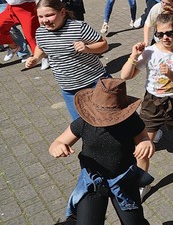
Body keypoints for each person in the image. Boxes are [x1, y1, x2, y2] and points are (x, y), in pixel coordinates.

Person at [48, 78, 153, 224]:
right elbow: (57, 142)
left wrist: (145, 144)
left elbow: (144, 139)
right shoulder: (84, 121)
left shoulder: (132, 120)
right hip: (92, 180)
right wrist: (57, 147)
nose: (105, 120)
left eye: (111, 116)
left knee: (134, 223)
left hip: (123, 180)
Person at [121, 14, 173, 185]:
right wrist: (134, 55)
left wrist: (171, 74)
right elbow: (125, 75)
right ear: (156, 34)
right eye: (160, 34)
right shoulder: (150, 51)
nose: (165, 37)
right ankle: (143, 182)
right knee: (143, 146)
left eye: (170, 33)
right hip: (153, 102)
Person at [26, 0, 109, 119]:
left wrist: (88, 48)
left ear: (62, 12)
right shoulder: (41, 32)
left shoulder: (78, 27)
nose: (45, 20)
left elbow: (104, 45)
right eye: (40, 17)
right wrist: (35, 58)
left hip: (95, 83)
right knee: (80, 125)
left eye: (49, 15)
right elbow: (42, 47)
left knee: (108, 119)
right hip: (69, 90)